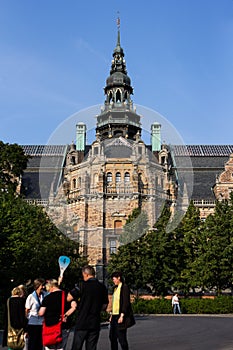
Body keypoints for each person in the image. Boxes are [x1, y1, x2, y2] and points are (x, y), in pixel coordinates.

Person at [67, 265, 109, 350]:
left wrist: (74, 302)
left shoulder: (82, 285)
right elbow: (104, 305)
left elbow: (68, 298)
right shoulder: (102, 287)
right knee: (91, 347)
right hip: (94, 322)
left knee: (77, 347)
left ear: (85, 274)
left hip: (82, 322)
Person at [39, 278, 77, 350]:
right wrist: (65, 315)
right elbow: (74, 306)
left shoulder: (47, 298)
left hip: (49, 327)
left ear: (51, 286)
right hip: (63, 326)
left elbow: (41, 313)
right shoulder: (66, 295)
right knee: (61, 348)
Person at [109, 271, 135, 350]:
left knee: (121, 337)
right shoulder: (115, 288)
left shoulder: (124, 287)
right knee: (112, 337)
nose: (113, 281)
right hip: (114, 315)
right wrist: (111, 314)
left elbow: (125, 302)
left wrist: (122, 315)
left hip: (121, 315)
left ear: (119, 278)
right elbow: (114, 303)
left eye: (114, 279)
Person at [2, 286, 28, 350]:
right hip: (20, 327)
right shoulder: (22, 301)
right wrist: (26, 328)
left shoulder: (8, 301)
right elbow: (22, 316)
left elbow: (5, 315)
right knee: (21, 345)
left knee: (11, 345)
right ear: (20, 293)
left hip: (10, 327)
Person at [25, 278, 46, 350]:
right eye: (42, 285)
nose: (43, 287)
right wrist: (26, 323)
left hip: (41, 322)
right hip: (32, 322)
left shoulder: (45, 295)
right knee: (32, 344)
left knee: (40, 344)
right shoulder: (31, 296)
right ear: (37, 286)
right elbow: (27, 310)